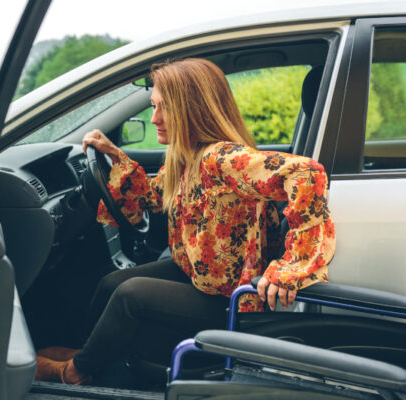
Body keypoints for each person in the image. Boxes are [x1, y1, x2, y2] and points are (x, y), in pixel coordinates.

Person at [35, 58, 336, 385]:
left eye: (165, 108)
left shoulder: (221, 158)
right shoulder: (188, 156)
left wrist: (291, 268)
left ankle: (74, 373)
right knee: (112, 283)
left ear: (192, 108)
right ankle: (92, 356)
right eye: (153, 107)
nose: (155, 119)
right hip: (200, 273)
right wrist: (112, 154)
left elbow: (307, 174)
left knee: (129, 295)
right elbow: (152, 194)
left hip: (233, 296)